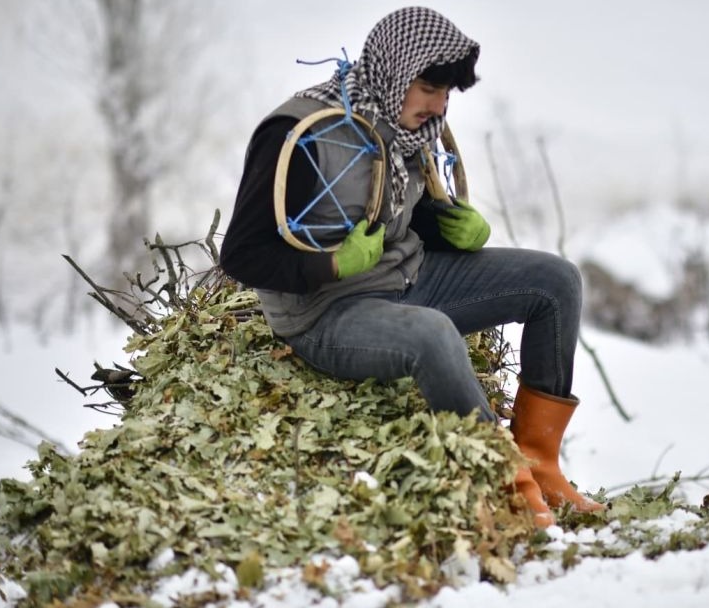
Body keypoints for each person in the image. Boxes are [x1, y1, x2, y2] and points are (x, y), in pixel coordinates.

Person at [220, 7, 602, 527]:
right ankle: (506, 482)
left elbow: (404, 218)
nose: (439, 104)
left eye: (447, 93)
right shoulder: (302, 134)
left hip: (409, 278)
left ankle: (542, 464)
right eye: (429, 87)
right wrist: (332, 265)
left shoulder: (410, 127)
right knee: (433, 334)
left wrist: (452, 227)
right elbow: (241, 255)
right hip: (327, 312)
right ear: (396, 71)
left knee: (557, 281)